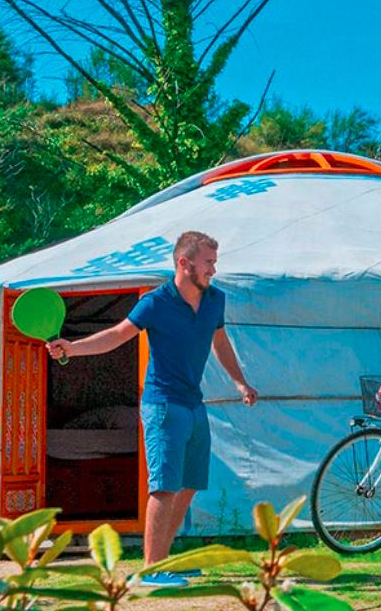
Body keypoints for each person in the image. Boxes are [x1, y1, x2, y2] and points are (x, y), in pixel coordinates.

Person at [47, 231, 258, 587]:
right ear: (184, 263)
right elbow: (117, 334)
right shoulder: (155, 303)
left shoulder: (214, 300)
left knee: (190, 483)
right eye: (208, 263)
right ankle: (151, 569)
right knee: (163, 486)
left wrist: (240, 381)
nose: (214, 270)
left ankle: (165, 560)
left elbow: (219, 341)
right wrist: (72, 348)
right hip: (162, 404)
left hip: (194, 402)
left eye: (215, 263)